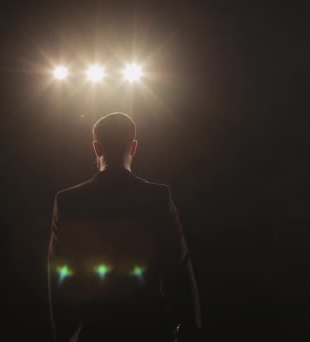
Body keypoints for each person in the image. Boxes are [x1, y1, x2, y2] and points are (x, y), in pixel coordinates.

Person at [47, 112, 201, 341]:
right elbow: (178, 270)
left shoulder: (68, 201)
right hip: (149, 332)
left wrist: (65, 336)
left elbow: (60, 280)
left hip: (95, 333)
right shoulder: (158, 198)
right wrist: (189, 331)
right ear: (134, 147)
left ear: (96, 148)